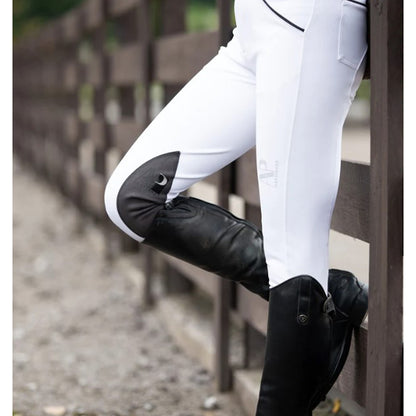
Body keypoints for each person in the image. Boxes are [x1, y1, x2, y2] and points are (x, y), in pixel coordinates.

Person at [104, 0, 369, 414]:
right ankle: (325, 297)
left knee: (293, 260)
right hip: (251, 30)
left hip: (309, 25)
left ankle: (310, 299)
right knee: (131, 198)